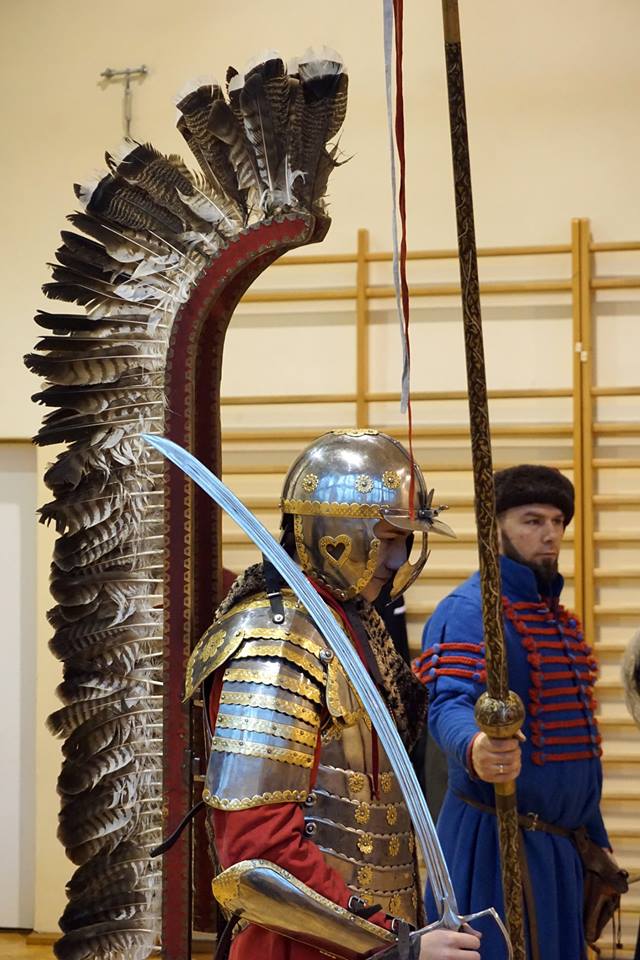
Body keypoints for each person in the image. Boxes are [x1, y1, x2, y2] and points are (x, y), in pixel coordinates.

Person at [185, 429, 482, 960]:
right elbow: (258, 855)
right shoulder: (275, 642)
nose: (397, 560)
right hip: (299, 944)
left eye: (405, 541)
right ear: (336, 534)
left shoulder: (356, 626)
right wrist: (396, 945)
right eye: (388, 538)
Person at [415, 464, 610, 960]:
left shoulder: (557, 620)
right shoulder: (467, 610)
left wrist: (596, 836)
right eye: (532, 521)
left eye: (557, 522)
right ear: (494, 527)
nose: (550, 535)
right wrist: (476, 746)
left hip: (561, 851)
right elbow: (448, 702)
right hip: (494, 842)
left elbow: (573, 744)